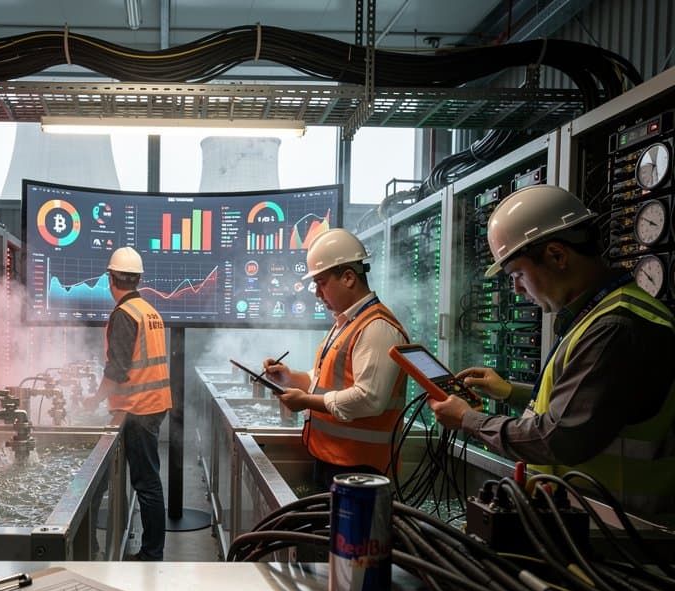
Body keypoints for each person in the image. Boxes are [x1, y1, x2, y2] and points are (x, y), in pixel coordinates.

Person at [428, 184, 675, 523]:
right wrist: (510, 392)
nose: (515, 288)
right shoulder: (597, 315)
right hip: (590, 524)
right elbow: (593, 405)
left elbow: (560, 438)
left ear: (558, 256)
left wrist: (467, 420)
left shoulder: (616, 327)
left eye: (517, 274)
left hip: (623, 535)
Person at [263, 229, 409, 493]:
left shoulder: (377, 328)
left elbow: (368, 399)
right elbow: (324, 381)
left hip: (363, 471)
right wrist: (288, 377)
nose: (317, 293)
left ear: (349, 278)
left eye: (321, 282)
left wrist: (305, 402)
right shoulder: (345, 323)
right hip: (335, 460)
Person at [84, 247, 172, 560]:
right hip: (153, 404)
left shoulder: (124, 314)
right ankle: (145, 550)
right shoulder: (149, 311)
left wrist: (93, 401)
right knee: (146, 482)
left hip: (138, 408)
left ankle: (151, 554)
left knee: (146, 485)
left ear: (111, 279)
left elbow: (117, 371)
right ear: (137, 279)